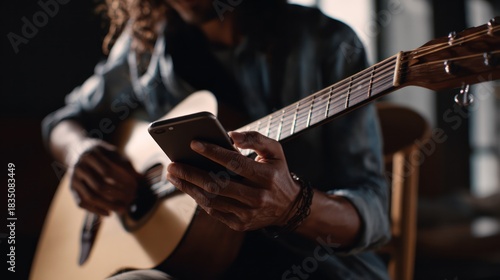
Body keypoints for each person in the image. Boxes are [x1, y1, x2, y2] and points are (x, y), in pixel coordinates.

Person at [42, 0, 390, 279]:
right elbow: (64, 120)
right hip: (185, 263)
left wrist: (294, 207)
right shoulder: (147, 44)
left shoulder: (327, 44)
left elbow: (375, 214)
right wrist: (79, 151)